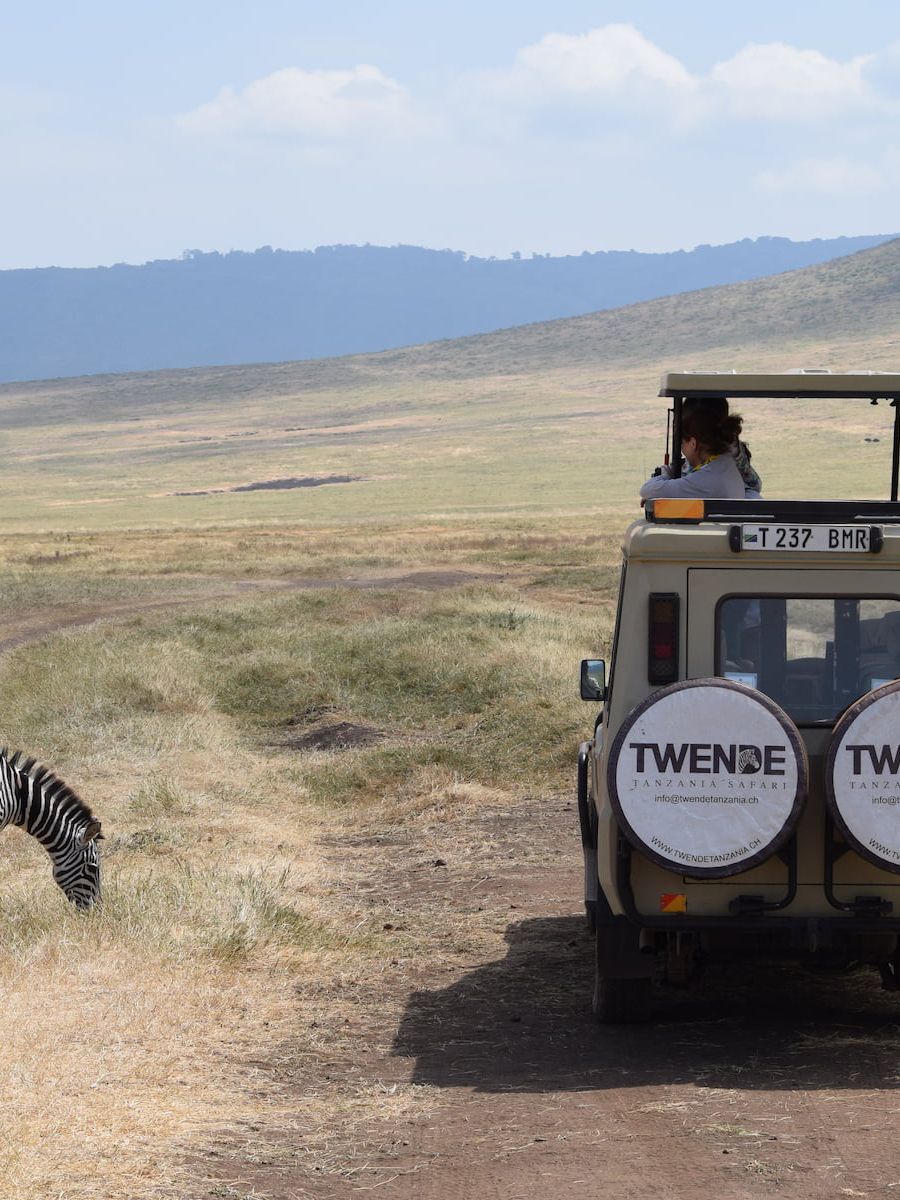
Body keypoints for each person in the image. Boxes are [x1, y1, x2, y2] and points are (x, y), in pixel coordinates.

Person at [640, 403, 747, 501]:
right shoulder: (724, 463)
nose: (681, 449)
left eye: (682, 443)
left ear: (693, 443)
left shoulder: (706, 478)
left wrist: (666, 474)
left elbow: (647, 490)